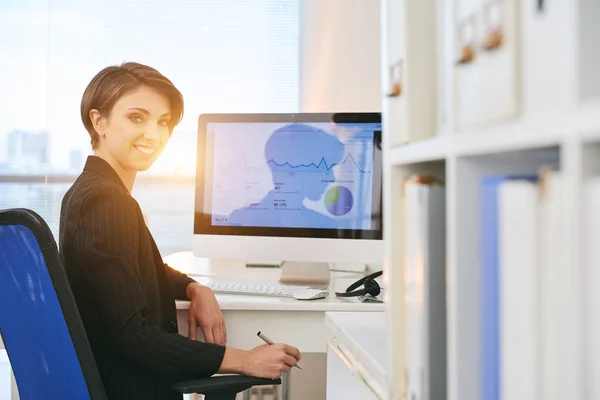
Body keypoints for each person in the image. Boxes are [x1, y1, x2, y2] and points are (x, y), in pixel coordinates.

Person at [59, 62, 301, 400]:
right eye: (136, 118)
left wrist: (192, 286)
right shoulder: (105, 201)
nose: (155, 134)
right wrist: (244, 360)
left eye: (164, 122)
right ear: (99, 122)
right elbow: (132, 335)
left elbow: (133, 271)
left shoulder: (90, 191)